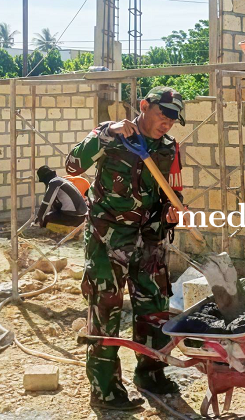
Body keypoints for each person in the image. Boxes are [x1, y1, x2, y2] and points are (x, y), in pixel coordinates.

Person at [65, 86, 185, 411]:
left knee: (154, 306)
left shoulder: (170, 149)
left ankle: (151, 374)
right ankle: (105, 391)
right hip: (108, 237)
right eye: (164, 115)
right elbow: (73, 164)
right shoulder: (113, 135)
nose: (168, 123)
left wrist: (171, 213)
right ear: (144, 106)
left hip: (148, 240)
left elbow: (173, 193)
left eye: (174, 119)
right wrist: (106, 132)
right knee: (106, 308)